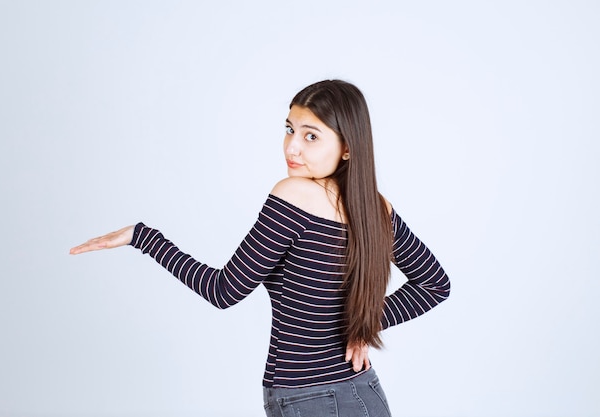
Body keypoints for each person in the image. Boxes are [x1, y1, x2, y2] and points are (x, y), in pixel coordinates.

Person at [70, 79, 451, 417]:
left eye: (311, 136)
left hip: (313, 399)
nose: (292, 147)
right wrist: (360, 325)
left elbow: (223, 292)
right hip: (354, 392)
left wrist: (144, 237)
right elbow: (436, 285)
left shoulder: (294, 195)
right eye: (289, 129)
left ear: (348, 148)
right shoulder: (374, 206)